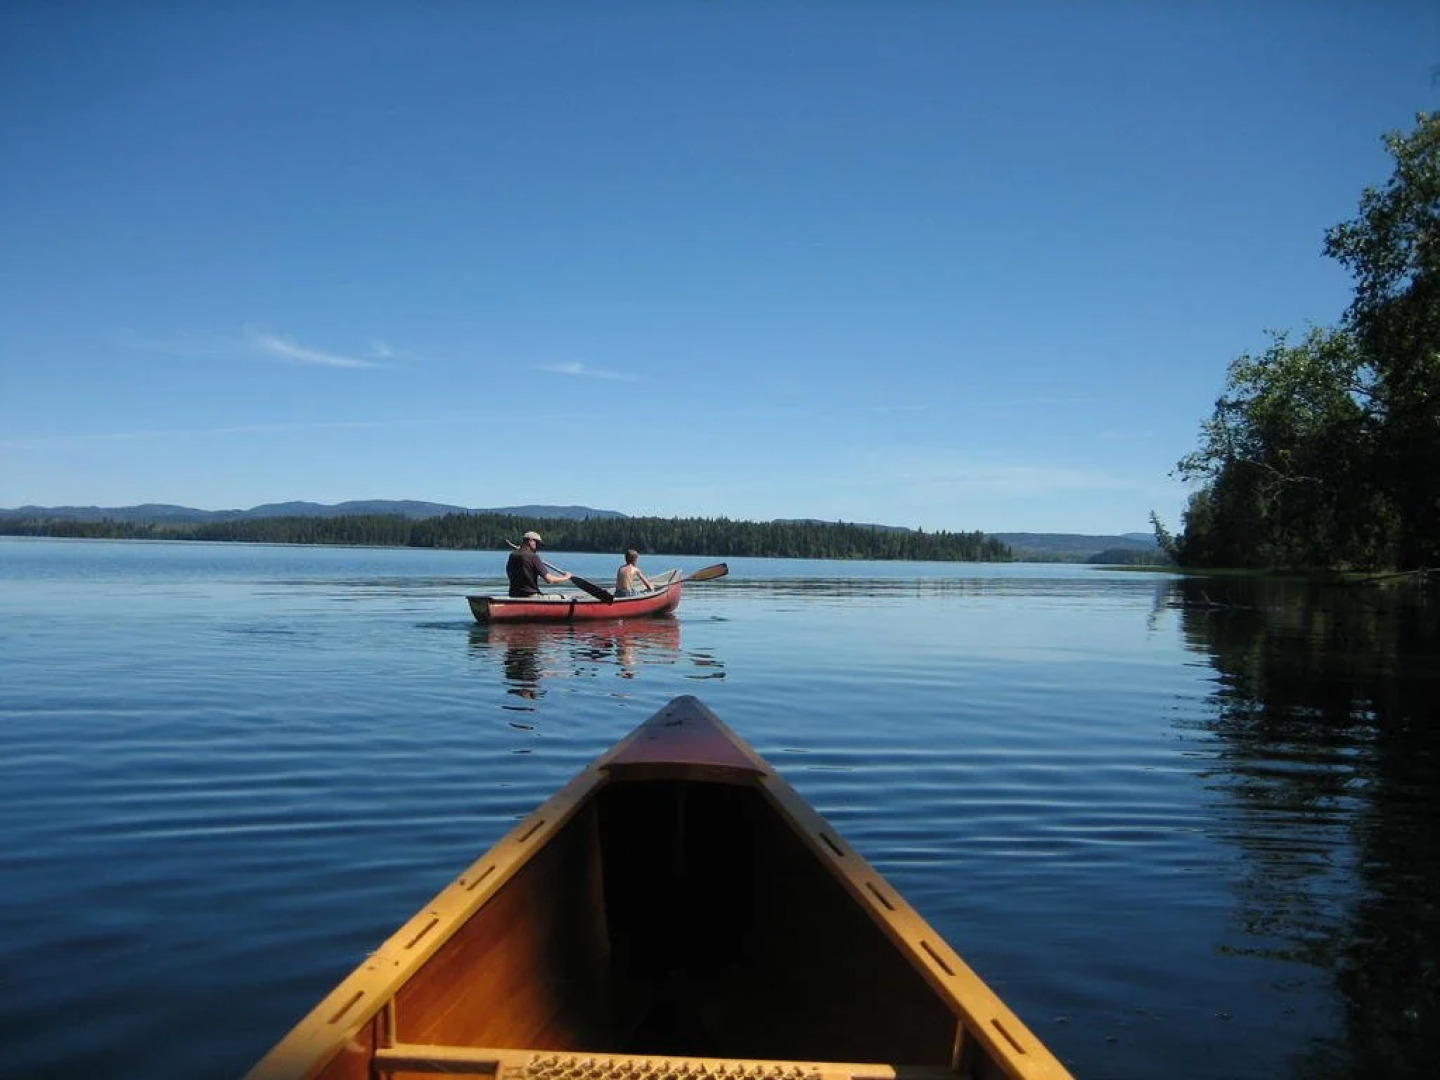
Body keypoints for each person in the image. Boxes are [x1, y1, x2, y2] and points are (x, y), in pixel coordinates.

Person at [506, 531, 570, 598]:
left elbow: (509, 574)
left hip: (513, 596)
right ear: (530, 541)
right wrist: (566, 577)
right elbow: (549, 580)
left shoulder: (513, 555)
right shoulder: (533, 556)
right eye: (537, 544)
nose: (538, 547)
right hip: (531, 596)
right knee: (566, 597)